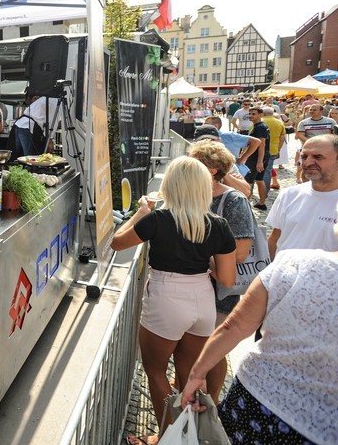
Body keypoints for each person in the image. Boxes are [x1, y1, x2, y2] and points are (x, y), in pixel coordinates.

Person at [112, 157, 236, 444]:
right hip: (202, 299)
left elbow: (117, 242)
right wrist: (202, 262)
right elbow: (228, 279)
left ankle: (169, 438)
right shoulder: (218, 225)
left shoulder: (158, 219)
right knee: (188, 375)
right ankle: (187, 435)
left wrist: (140, 213)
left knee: (155, 372)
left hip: (167, 297)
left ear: (171, 185)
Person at [181, 248, 338, 444]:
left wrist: (197, 375)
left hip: (252, 400)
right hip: (316, 429)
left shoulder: (295, 261)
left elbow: (234, 326)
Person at [187, 140, 256, 402]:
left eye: (196, 165)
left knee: (212, 351)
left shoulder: (233, 200)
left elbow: (241, 252)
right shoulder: (194, 196)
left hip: (220, 291)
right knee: (193, 347)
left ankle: (212, 402)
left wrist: (196, 258)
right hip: (195, 286)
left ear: (213, 170)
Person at [266, 134, 338, 259]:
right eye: (304, 156)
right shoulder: (289, 194)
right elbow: (275, 238)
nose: (307, 162)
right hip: (282, 275)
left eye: (318, 157)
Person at [192, 124, 253, 198]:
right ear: (195, 143)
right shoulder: (188, 164)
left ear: (219, 141)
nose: (208, 144)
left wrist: (222, 172)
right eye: (203, 141)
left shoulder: (226, 162)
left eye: (212, 140)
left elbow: (245, 192)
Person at [295, 103, 337, 184]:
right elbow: (300, 135)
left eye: (314, 110)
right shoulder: (303, 122)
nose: (311, 111)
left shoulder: (330, 121)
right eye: (310, 110)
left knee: (326, 167)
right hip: (309, 150)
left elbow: (334, 134)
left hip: (326, 149)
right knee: (307, 168)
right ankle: (305, 185)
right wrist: (313, 143)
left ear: (321, 111)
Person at [237, 107, 269, 209]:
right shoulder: (260, 126)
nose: (250, 116)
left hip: (256, 157)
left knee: (248, 182)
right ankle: (261, 203)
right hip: (261, 156)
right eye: (250, 114)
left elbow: (261, 144)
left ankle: (245, 206)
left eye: (253, 114)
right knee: (259, 179)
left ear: (260, 115)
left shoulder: (260, 127)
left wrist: (259, 161)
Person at [11, 93, 60, 157]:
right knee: (31, 158)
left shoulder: (46, 99)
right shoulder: (56, 102)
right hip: (28, 127)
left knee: (18, 155)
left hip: (20, 124)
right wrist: (50, 140)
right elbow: (52, 123)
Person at [260, 106, 285, 199]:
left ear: (263, 113)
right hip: (273, 150)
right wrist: (278, 149)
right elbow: (282, 138)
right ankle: (265, 191)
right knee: (268, 171)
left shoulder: (259, 122)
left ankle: (257, 190)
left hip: (259, 150)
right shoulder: (279, 122)